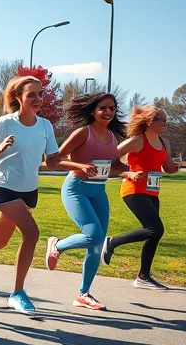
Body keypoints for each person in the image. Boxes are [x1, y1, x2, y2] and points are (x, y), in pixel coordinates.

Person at [0, 75, 83, 314]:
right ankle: (17, 293)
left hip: (29, 190)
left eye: (40, 94)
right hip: (4, 186)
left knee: (0, 240)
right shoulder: (5, 123)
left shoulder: (45, 126)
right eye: (31, 94)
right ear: (18, 98)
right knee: (32, 233)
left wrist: (78, 163)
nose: (37, 99)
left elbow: (51, 161)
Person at [44, 92, 125, 311]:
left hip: (99, 191)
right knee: (94, 235)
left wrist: (132, 172)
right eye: (103, 108)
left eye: (112, 108)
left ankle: (83, 294)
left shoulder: (111, 137)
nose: (108, 112)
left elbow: (114, 165)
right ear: (93, 111)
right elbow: (52, 161)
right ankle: (57, 245)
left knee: (97, 246)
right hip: (76, 190)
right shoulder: (83, 133)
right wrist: (79, 166)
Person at [102, 106, 180, 289]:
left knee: (153, 234)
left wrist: (173, 167)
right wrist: (127, 173)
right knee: (155, 229)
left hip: (153, 191)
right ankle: (111, 242)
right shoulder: (136, 141)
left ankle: (143, 277)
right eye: (162, 120)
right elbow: (110, 158)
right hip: (133, 189)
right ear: (149, 122)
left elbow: (167, 166)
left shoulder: (164, 142)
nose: (165, 123)